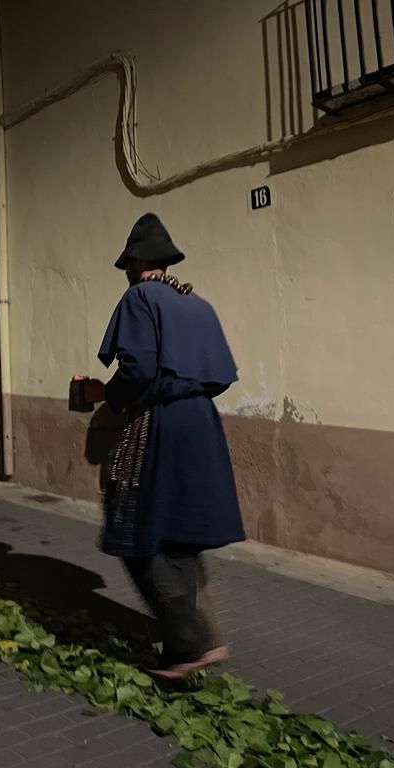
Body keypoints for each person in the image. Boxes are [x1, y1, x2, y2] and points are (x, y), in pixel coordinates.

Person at [74, 213, 244, 682]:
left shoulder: (139, 298)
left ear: (137, 261)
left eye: (128, 263)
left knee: (137, 530)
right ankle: (187, 643)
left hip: (160, 424)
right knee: (179, 532)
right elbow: (222, 373)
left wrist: (99, 393)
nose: (127, 271)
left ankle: (192, 643)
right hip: (201, 425)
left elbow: (138, 370)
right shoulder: (197, 304)